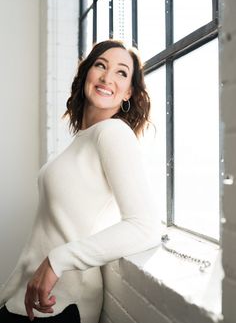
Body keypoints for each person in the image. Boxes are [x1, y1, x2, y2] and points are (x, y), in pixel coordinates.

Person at [0, 39, 161, 323]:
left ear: (129, 93)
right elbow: (41, 235)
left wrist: (56, 260)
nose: (107, 77)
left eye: (121, 73)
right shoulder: (80, 141)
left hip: (59, 305)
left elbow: (144, 227)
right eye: (100, 65)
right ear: (87, 73)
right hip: (23, 301)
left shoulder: (113, 133)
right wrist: (7, 293)